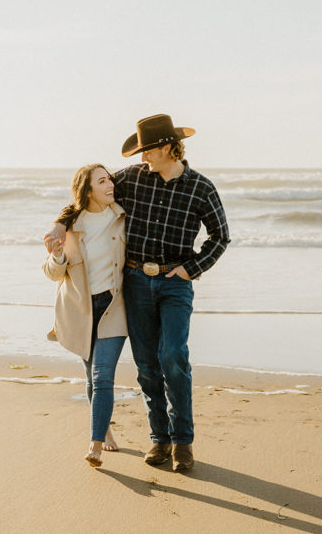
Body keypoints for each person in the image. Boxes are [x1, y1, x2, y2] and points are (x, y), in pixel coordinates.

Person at [46, 114, 230, 472]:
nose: (141, 157)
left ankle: (183, 442)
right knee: (147, 365)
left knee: (173, 357)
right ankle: (159, 439)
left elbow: (220, 236)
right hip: (134, 283)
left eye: (147, 151)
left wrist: (190, 268)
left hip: (175, 284)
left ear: (165, 148)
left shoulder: (201, 188)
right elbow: (88, 194)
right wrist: (60, 221)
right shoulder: (131, 180)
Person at [42, 163, 128, 467]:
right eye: (101, 181)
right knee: (92, 379)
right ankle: (104, 429)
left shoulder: (121, 215)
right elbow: (53, 274)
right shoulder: (71, 225)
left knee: (103, 375)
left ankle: (94, 444)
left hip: (114, 307)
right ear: (87, 190)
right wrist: (57, 253)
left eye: (110, 179)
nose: (110, 185)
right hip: (80, 309)